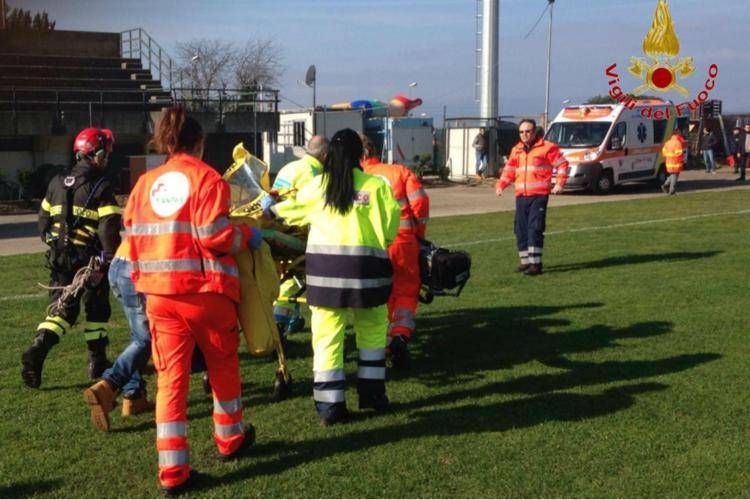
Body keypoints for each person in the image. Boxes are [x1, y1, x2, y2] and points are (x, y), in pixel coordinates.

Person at [123, 107, 262, 496]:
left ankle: (173, 473)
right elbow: (214, 235)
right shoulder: (207, 178)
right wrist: (246, 236)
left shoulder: (145, 184)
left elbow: (131, 237)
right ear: (199, 143)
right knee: (222, 369)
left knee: (171, 382)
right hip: (205, 294)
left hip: (159, 296)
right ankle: (230, 438)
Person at [266, 128, 400, 426]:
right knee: (373, 335)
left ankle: (330, 408)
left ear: (330, 155)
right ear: (360, 155)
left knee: (327, 341)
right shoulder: (377, 186)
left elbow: (285, 214)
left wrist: (268, 207)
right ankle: (372, 396)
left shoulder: (317, 187)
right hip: (369, 275)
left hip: (325, 276)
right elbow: (390, 229)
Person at [21, 127, 121, 389]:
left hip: (59, 259)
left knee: (62, 309)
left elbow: (43, 221)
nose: (106, 159)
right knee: (97, 308)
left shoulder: (55, 181)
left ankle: (39, 348)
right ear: (95, 154)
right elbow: (108, 228)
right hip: (90, 263)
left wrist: (57, 246)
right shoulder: (101, 185)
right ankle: (95, 361)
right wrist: (111, 259)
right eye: (105, 153)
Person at [360, 134, 429, 369]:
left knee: (381, 295)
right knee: (407, 290)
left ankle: (382, 341)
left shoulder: (355, 179)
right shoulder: (399, 172)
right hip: (402, 242)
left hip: (370, 247)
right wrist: (418, 233)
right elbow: (419, 203)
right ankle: (399, 334)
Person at [271, 135, 329, 341]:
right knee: (294, 279)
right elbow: (312, 207)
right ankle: (280, 323)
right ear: (324, 154)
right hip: (297, 233)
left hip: (278, 228)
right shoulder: (315, 173)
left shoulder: (290, 167)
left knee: (287, 277)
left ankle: (286, 319)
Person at [495, 118, 568, 276]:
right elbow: (510, 170)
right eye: (521, 132)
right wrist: (501, 185)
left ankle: (536, 264)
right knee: (520, 230)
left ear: (534, 132)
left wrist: (559, 184)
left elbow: (562, 164)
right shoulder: (517, 150)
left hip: (539, 196)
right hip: (521, 196)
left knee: (534, 228)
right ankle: (525, 262)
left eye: (528, 131)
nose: (524, 134)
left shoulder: (547, 148)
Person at [661, 129, 686, 195]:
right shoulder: (677, 143)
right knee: (675, 175)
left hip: (669, 162)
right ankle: (672, 190)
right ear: (677, 134)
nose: (680, 134)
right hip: (676, 162)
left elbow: (664, 152)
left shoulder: (667, 142)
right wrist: (682, 156)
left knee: (672, 175)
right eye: (680, 133)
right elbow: (679, 153)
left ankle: (665, 185)